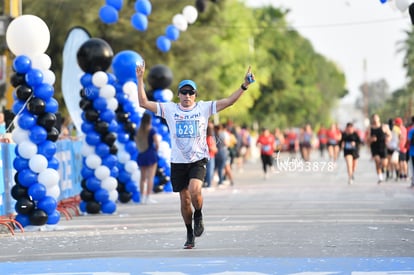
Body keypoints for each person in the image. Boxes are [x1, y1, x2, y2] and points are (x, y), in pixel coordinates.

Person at [136, 62, 255, 249]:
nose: (187, 96)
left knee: (194, 190)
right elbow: (143, 102)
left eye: (191, 93)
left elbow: (229, 101)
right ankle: (189, 233)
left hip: (198, 159)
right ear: (178, 95)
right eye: (184, 92)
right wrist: (140, 78)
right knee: (184, 201)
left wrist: (244, 86)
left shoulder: (204, 108)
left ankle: (198, 213)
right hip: (178, 161)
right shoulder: (170, 109)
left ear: (195, 96)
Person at [135, 112, 160, 204]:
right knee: (150, 177)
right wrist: (156, 150)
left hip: (142, 153)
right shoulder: (151, 130)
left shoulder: (138, 130)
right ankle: (148, 197)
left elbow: (136, 142)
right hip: (151, 154)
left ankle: (141, 197)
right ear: (150, 120)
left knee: (143, 177)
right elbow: (157, 143)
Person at [366, 114, 391, 184]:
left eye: (376, 117)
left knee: (385, 163)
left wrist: (388, 139)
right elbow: (367, 139)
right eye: (373, 118)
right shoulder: (370, 128)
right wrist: (371, 139)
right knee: (377, 161)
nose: (375, 119)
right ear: (372, 119)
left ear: (379, 118)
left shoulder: (384, 127)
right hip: (374, 147)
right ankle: (380, 177)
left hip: (383, 146)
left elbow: (390, 135)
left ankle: (383, 168)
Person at [204, 120, 217, 188]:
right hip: (210, 155)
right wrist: (215, 149)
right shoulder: (210, 138)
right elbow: (212, 148)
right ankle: (209, 184)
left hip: (206, 156)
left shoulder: (204, 137)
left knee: (207, 170)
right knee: (210, 170)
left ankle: (207, 183)